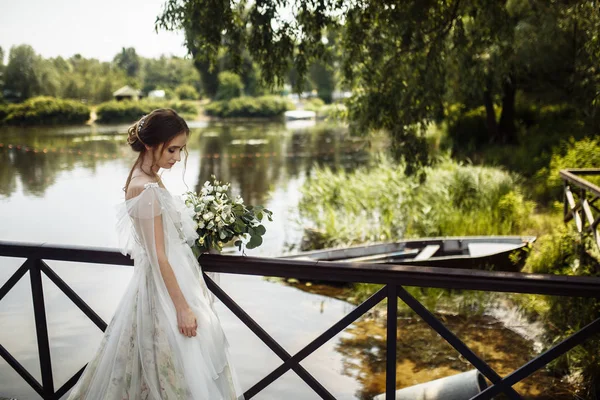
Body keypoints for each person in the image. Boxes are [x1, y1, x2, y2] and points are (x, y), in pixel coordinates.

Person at [67, 109, 243, 399]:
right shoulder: (144, 188)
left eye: (181, 149)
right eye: (172, 149)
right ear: (150, 144)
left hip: (174, 276)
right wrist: (183, 309)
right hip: (165, 289)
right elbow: (159, 255)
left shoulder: (147, 177)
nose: (176, 157)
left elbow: (169, 230)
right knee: (176, 367)